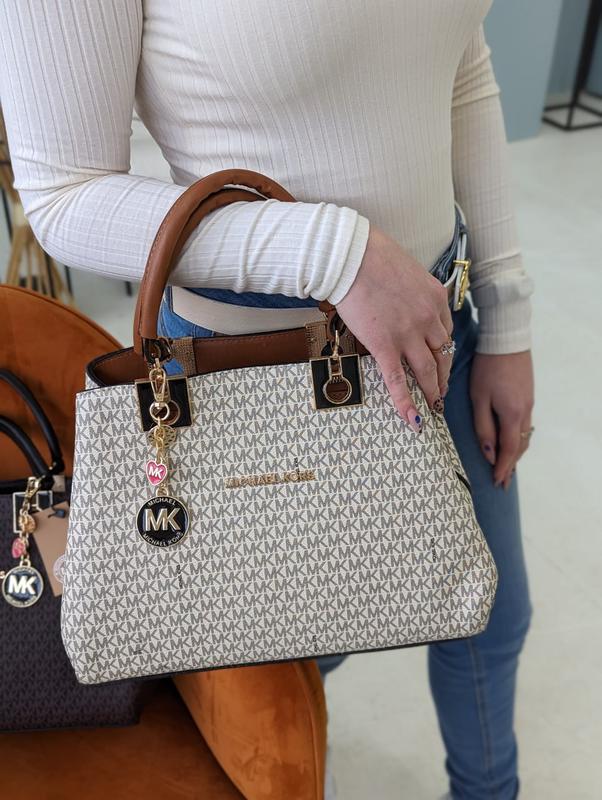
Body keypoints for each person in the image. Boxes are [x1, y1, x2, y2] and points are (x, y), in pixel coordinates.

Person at [0, 1, 533, 798]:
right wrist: (337, 254)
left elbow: (460, 66)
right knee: (292, 659)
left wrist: (506, 316)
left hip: (435, 331)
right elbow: (64, 194)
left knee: (489, 618)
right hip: (245, 373)